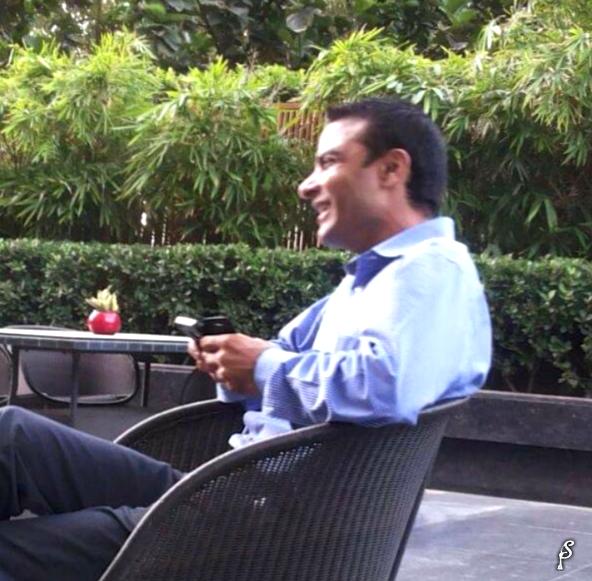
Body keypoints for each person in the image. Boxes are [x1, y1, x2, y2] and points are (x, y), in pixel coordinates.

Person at [0, 97, 491, 581]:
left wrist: (259, 365)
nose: (306, 185)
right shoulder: (366, 281)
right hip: (234, 493)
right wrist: (234, 365)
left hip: (265, 527)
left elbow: (384, 386)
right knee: (11, 434)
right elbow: (283, 356)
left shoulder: (431, 271)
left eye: (328, 162)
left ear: (391, 169)